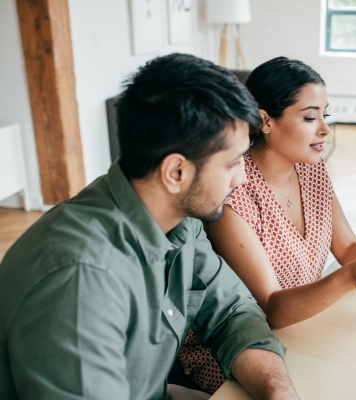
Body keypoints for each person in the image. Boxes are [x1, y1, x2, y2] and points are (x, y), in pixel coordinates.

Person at [0, 54, 299, 400]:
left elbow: (233, 312)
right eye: (232, 163)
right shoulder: (80, 279)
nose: (242, 178)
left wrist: (277, 390)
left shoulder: (180, 219)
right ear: (175, 173)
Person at [178, 56, 356, 392]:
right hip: (237, 353)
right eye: (310, 117)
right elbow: (273, 308)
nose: (325, 129)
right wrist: (354, 275)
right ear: (265, 120)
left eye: (325, 115)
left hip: (306, 329)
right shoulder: (233, 193)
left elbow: (348, 247)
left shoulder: (311, 169)